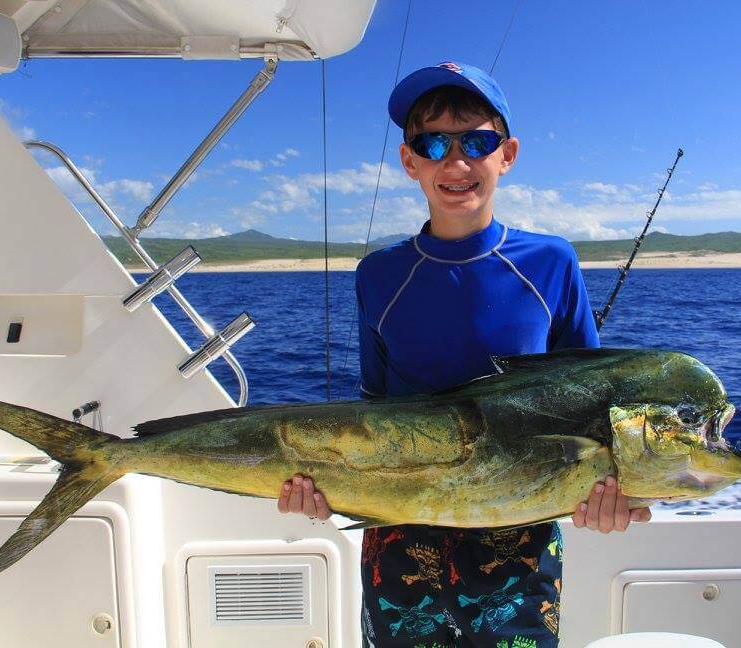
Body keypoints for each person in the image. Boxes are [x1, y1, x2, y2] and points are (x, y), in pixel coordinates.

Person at [277, 61, 652, 647]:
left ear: (507, 153)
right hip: (402, 539)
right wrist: (326, 486)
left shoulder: (552, 264)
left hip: (519, 540)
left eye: (476, 141)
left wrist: (613, 498)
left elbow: (595, 416)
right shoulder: (379, 275)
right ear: (409, 162)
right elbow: (373, 415)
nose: (455, 162)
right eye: (432, 143)